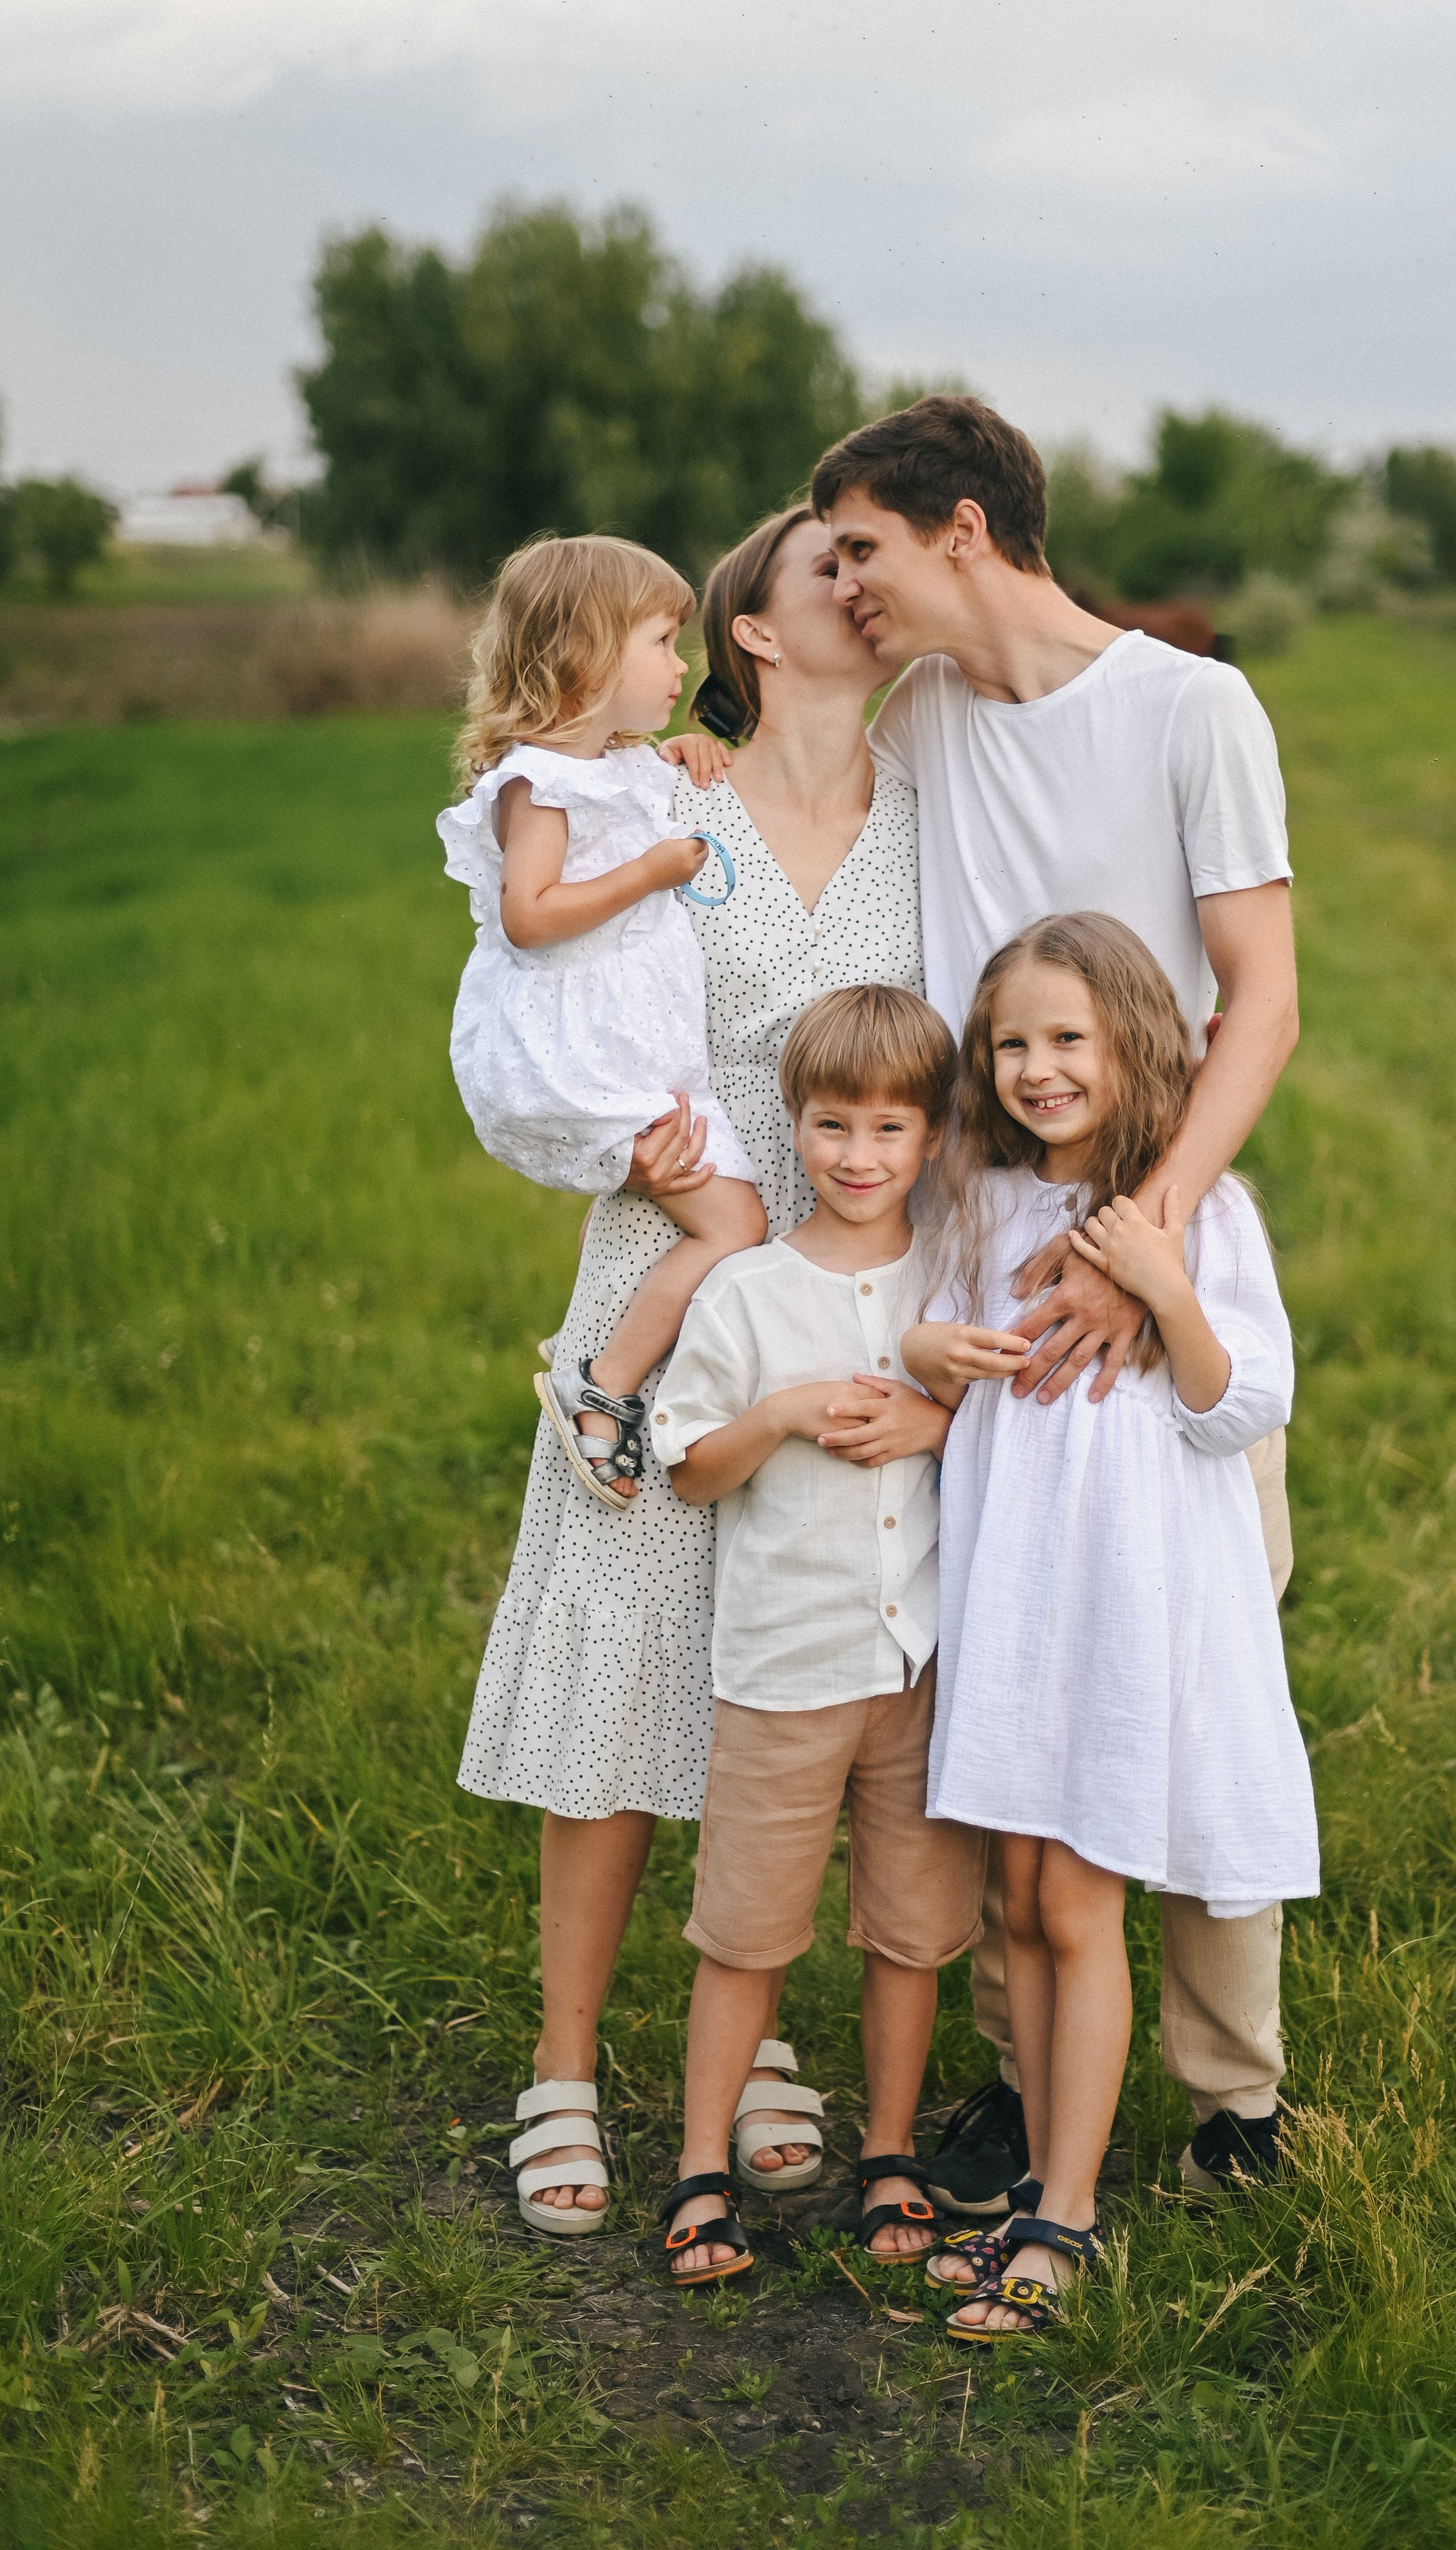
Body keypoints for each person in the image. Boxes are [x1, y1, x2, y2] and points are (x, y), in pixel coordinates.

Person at [812, 394, 1304, 2212]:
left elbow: (1259, 996)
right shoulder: (926, 717)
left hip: (1151, 1219)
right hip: (975, 1232)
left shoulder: (1192, 707)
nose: (845, 584)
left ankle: (1232, 2089)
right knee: (1011, 1656)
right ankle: (1028, 2097)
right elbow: (769, 710)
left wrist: (1141, 1238)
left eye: (860, 546)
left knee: (1200, 1642)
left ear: (957, 528)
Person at [456, 508, 935, 2237]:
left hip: (859, 1285)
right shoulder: (664, 803)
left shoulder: (930, 821)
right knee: (625, 1651)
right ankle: (565, 2063)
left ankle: (762, 2027)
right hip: (677, 1255)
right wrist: (621, 1151)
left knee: (804, 1666)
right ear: (750, 629)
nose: (867, 589)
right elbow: (542, 1008)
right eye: (832, 566)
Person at [902, 915, 1319, 2337]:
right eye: (1011, 1041)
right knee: (1015, 1902)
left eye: (1066, 1037)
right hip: (1011, 1599)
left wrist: (1157, 1286)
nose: (1035, 1067)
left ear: (1136, 1043)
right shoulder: (973, 1199)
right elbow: (933, 1347)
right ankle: (1043, 2164)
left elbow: (1234, 1401)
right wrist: (920, 1354)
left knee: (1075, 1907)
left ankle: (1061, 2219)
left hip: (1124, 1608)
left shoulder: (1198, 1213)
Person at [648, 986, 985, 2284]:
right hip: (786, 1671)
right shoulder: (744, 1294)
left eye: (889, 1129)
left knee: (908, 1929)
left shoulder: (953, 1279)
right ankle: (700, 2167)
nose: (858, 1156)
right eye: (833, 1126)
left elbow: (1009, 1433)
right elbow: (687, 1468)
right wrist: (780, 1414)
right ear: (793, 1127)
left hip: (920, 1665)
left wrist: (938, 1422)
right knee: (747, 1932)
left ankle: (888, 2152)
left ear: (935, 1136)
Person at [437, 534, 767, 1510]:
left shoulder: (615, 766)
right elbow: (529, 917)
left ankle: (599, 1343)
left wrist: (680, 755)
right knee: (734, 1221)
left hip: (631, 1040)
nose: (682, 667)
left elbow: (640, 794)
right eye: (664, 642)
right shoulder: (537, 781)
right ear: (587, 655)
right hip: (570, 1049)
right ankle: (604, 1381)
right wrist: (650, 873)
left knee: (721, 1216)